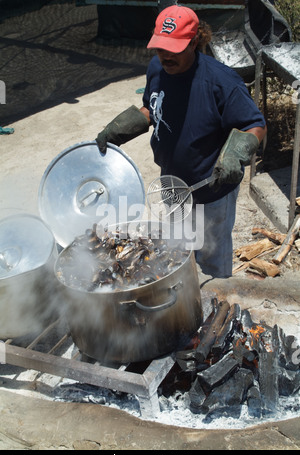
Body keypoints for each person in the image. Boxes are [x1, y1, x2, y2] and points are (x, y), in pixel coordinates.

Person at [95, 5, 267, 278]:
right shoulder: (157, 69)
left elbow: (255, 125)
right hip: (172, 184)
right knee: (180, 250)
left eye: (173, 48)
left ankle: (218, 307)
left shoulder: (221, 81)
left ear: (194, 41)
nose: (164, 55)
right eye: (160, 47)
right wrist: (118, 130)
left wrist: (236, 153)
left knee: (211, 256)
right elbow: (152, 108)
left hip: (211, 188)